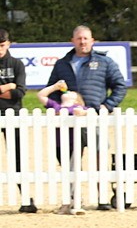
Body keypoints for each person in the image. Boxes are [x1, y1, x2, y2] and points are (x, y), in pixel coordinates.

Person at [46, 25, 127, 210]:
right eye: (79, 38)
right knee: (69, 159)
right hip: (70, 120)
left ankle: (103, 198)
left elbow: (120, 86)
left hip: (94, 117)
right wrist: (58, 107)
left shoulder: (105, 62)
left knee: (100, 157)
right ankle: (75, 198)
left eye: (85, 38)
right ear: (72, 41)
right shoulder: (62, 64)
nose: (82, 42)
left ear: (92, 41)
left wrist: (107, 106)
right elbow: (52, 89)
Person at [36, 81, 87, 215]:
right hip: (59, 144)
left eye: (72, 93)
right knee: (66, 171)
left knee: (74, 170)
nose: (68, 92)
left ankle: (75, 199)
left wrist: (81, 112)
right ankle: (68, 200)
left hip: (74, 143)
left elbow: (88, 112)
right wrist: (54, 87)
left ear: (77, 99)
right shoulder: (56, 106)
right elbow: (41, 95)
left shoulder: (77, 107)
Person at [0, 29, 35, 213]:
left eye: (2, 45)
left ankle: (26, 199)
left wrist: (12, 88)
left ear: (8, 44)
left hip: (12, 114)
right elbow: (13, 89)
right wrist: (8, 86)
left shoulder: (16, 64)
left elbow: (20, 92)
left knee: (17, 158)